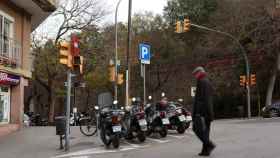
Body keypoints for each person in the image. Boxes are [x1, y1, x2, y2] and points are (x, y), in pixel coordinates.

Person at [192, 66, 216, 156]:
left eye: (195, 74)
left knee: (197, 129)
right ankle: (206, 150)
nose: (195, 76)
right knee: (205, 131)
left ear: (199, 73)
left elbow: (202, 99)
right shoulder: (206, 81)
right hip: (207, 112)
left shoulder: (202, 81)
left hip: (203, 112)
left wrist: (197, 113)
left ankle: (209, 145)